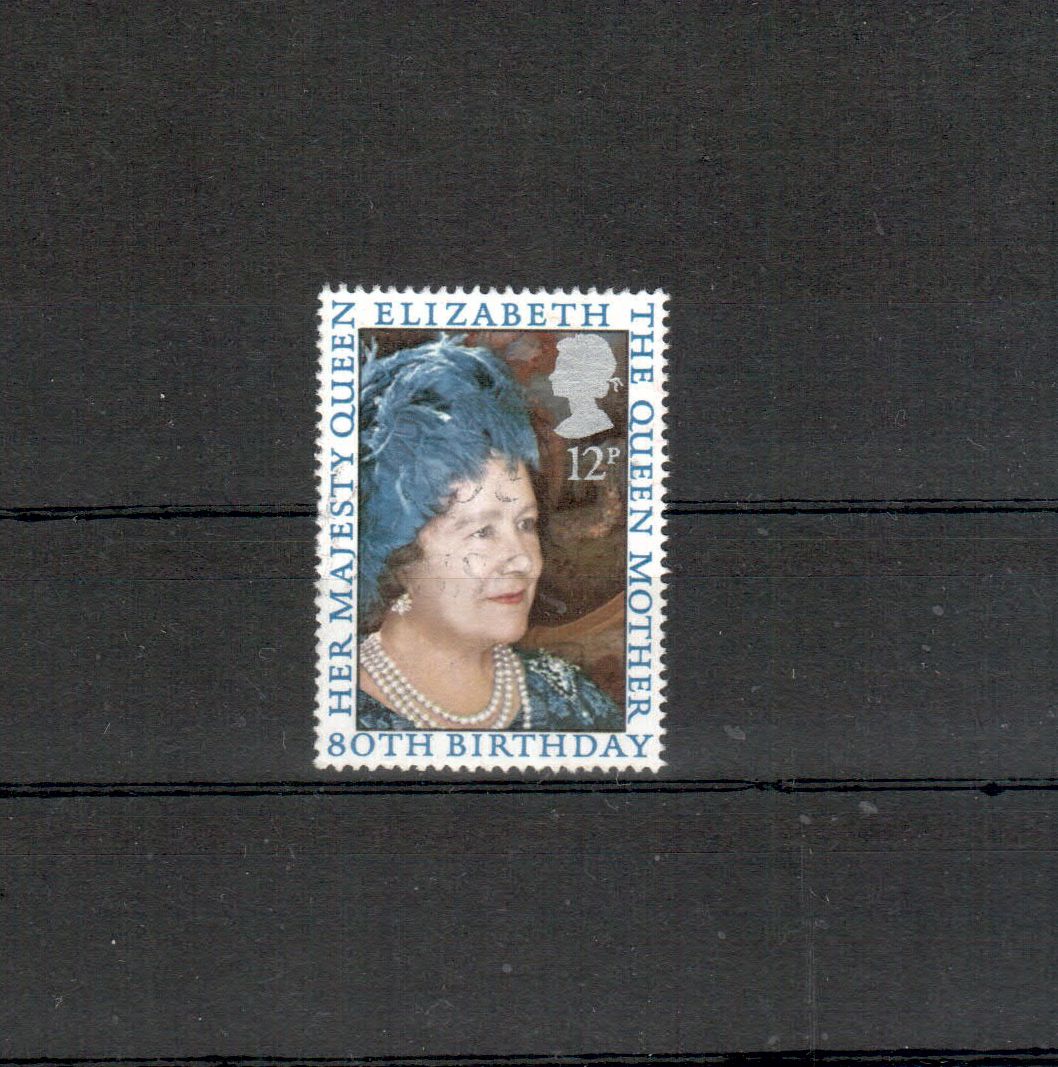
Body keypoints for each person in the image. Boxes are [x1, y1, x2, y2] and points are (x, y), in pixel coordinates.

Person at [356, 336, 622, 732]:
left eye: (526, 524)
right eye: (482, 531)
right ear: (399, 555)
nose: (523, 560)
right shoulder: (336, 708)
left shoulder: (571, 697)